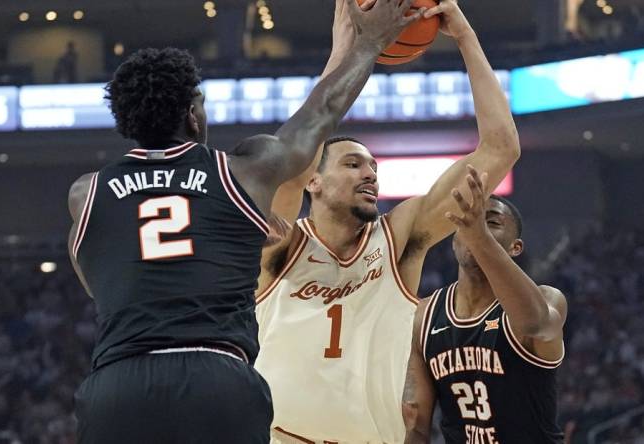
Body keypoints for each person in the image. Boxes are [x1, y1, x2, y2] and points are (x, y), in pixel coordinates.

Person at [65, 1, 418, 442]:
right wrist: (369, 44)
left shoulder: (86, 194)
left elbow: (101, 282)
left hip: (119, 386)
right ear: (193, 115)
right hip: (216, 378)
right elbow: (321, 115)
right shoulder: (241, 171)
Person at [253, 1, 521, 442]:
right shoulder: (278, 240)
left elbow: (500, 149)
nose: (370, 174)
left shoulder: (399, 238)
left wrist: (466, 36)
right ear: (314, 182)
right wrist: (344, 51)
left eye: (374, 167)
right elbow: (296, 151)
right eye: (354, 164)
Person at [402, 167, 567, 443]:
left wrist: (479, 236)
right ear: (454, 240)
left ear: (515, 247)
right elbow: (415, 425)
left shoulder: (548, 299)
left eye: (491, 222)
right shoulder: (424, 316)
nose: (474, 225)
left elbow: (535, 325)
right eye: (467, 221)